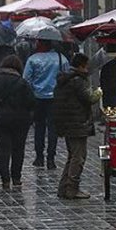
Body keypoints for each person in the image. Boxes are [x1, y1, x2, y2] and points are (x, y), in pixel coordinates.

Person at [54, 53, 102, 199]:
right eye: (86, 65)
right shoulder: (78, 81)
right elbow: (88, 98)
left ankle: (64, 187)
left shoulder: (66, 79)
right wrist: (98, 92)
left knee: (72, 155)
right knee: (78, 157)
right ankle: (72, 189)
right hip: (77, 123)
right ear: (82, 65)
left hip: (67, 123)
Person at [0, 55, 35, 189]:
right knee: (18, 149)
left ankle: (5, 179)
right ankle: (16, 177)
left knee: (2, 150)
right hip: (20, 120)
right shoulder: (22, 82)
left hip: (0, 120)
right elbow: (31, 101)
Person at [23, 40, 69, 169]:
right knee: (53, 128)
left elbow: (26, 79)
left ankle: (39, 156)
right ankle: (51, 158)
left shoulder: (33, 59)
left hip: (38, 98)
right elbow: (67, 76)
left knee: (39, 127)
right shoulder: (61, 58)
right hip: (55, 98)